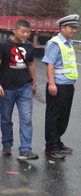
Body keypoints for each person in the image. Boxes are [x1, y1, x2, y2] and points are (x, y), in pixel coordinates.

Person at [0, 19, 38, 160]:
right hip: (7, 89)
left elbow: (31, 65)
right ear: (15, 30)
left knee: (26, 119)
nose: (25, 34)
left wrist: (34, 83)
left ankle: (25, 150)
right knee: (6, 118)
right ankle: (7, 144)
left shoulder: (29, 46)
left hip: (25, 87)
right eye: (22, 31)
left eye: (28, 32)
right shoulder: (4, 45)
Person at [41, 14, 79, 159]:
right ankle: (50, 147)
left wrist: (72, 82)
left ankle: (57, 142)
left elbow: (67, 64)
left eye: (75, 28)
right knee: (54, 116)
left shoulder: (68, 43)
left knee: (64, 116)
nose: (73, 30)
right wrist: (51, 83)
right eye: (71, 28)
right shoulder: (55, 43)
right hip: (57, 85)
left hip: (68, 85)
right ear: (62, 28)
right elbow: (49, 64)